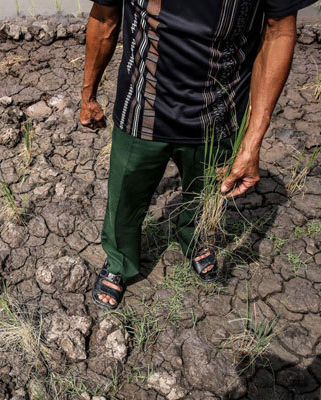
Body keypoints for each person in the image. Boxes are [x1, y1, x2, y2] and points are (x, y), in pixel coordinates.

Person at [81, 0, 315, 309]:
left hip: (219, 107)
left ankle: (194, 239)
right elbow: (105, 17)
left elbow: (280, 30)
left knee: (203, 191)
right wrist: (88, 94)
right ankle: (120, 259)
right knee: (125, 193)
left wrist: (252, 142)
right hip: (143, 105)